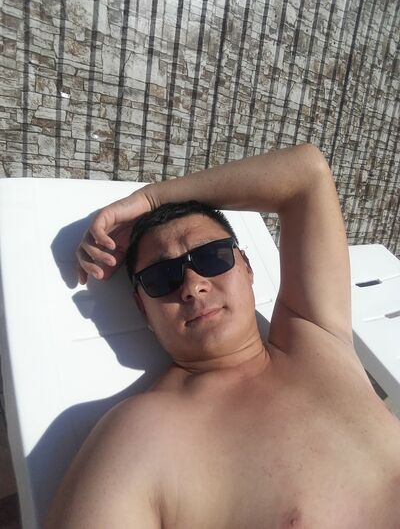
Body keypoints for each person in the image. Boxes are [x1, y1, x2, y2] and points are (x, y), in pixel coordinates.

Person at [45, 144, 400, 528]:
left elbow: (305, 172)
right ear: (143, 308)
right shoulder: (140, 435)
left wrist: (151, 198)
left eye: (212, 257)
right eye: (162, 277)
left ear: (246, 267)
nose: (192, 286)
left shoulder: (316, 337)